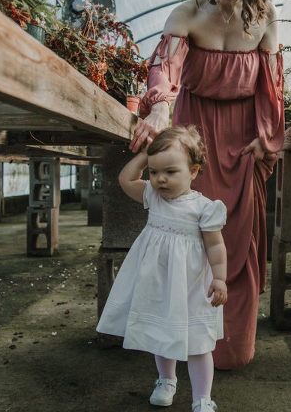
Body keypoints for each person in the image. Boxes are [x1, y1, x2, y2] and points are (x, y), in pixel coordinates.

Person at [130, 0, 284, 370]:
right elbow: (165, 71)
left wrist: (266, 135)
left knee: (235, 244)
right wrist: (159, 110)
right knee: (189, 241)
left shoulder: (265, 18)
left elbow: (271, 85)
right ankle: (181, 347)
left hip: (241, 145)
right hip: (195, 137)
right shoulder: (187, 14)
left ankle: (232, 350)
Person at [97, 126, 228, 412]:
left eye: (170, 171)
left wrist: (220, 278)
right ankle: (166, 380)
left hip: (193, 284)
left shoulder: (204, 208)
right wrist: (145, 155)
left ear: (193, 172)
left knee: (198, 343)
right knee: (162, 335)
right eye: (154, 172)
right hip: (159, 282)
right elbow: (125, 179)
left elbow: (216, 247)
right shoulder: (152, 196)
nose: (160, 179)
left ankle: (202, 397)